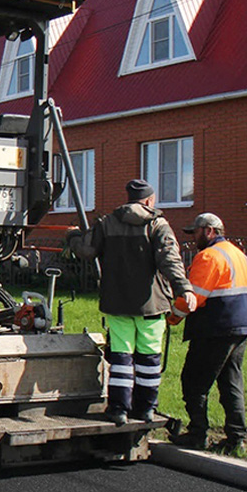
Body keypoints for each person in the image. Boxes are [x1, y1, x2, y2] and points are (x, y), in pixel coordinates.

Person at [68, 179, 196, 425]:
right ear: (149, 200)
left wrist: (73, 235)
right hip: (151, 304)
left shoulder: (107, 223)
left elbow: (86, 251)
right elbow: (170, 260)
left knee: (121, 358)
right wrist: (184, 289)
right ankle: (146, 408)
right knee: (149, 359)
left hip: (117, 304)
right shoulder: (157, 224)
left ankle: (118, 409)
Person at [167, 213, 247, 455]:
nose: (193, 238)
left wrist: (172, 317)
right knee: (231, 381)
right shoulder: (239, 254)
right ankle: (236, 439)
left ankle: (198, 434)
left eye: (195, 232)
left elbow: (193, 297)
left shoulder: (207, 257)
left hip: (214, 328)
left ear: (209, 231)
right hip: (240, 326)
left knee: (194, 381)